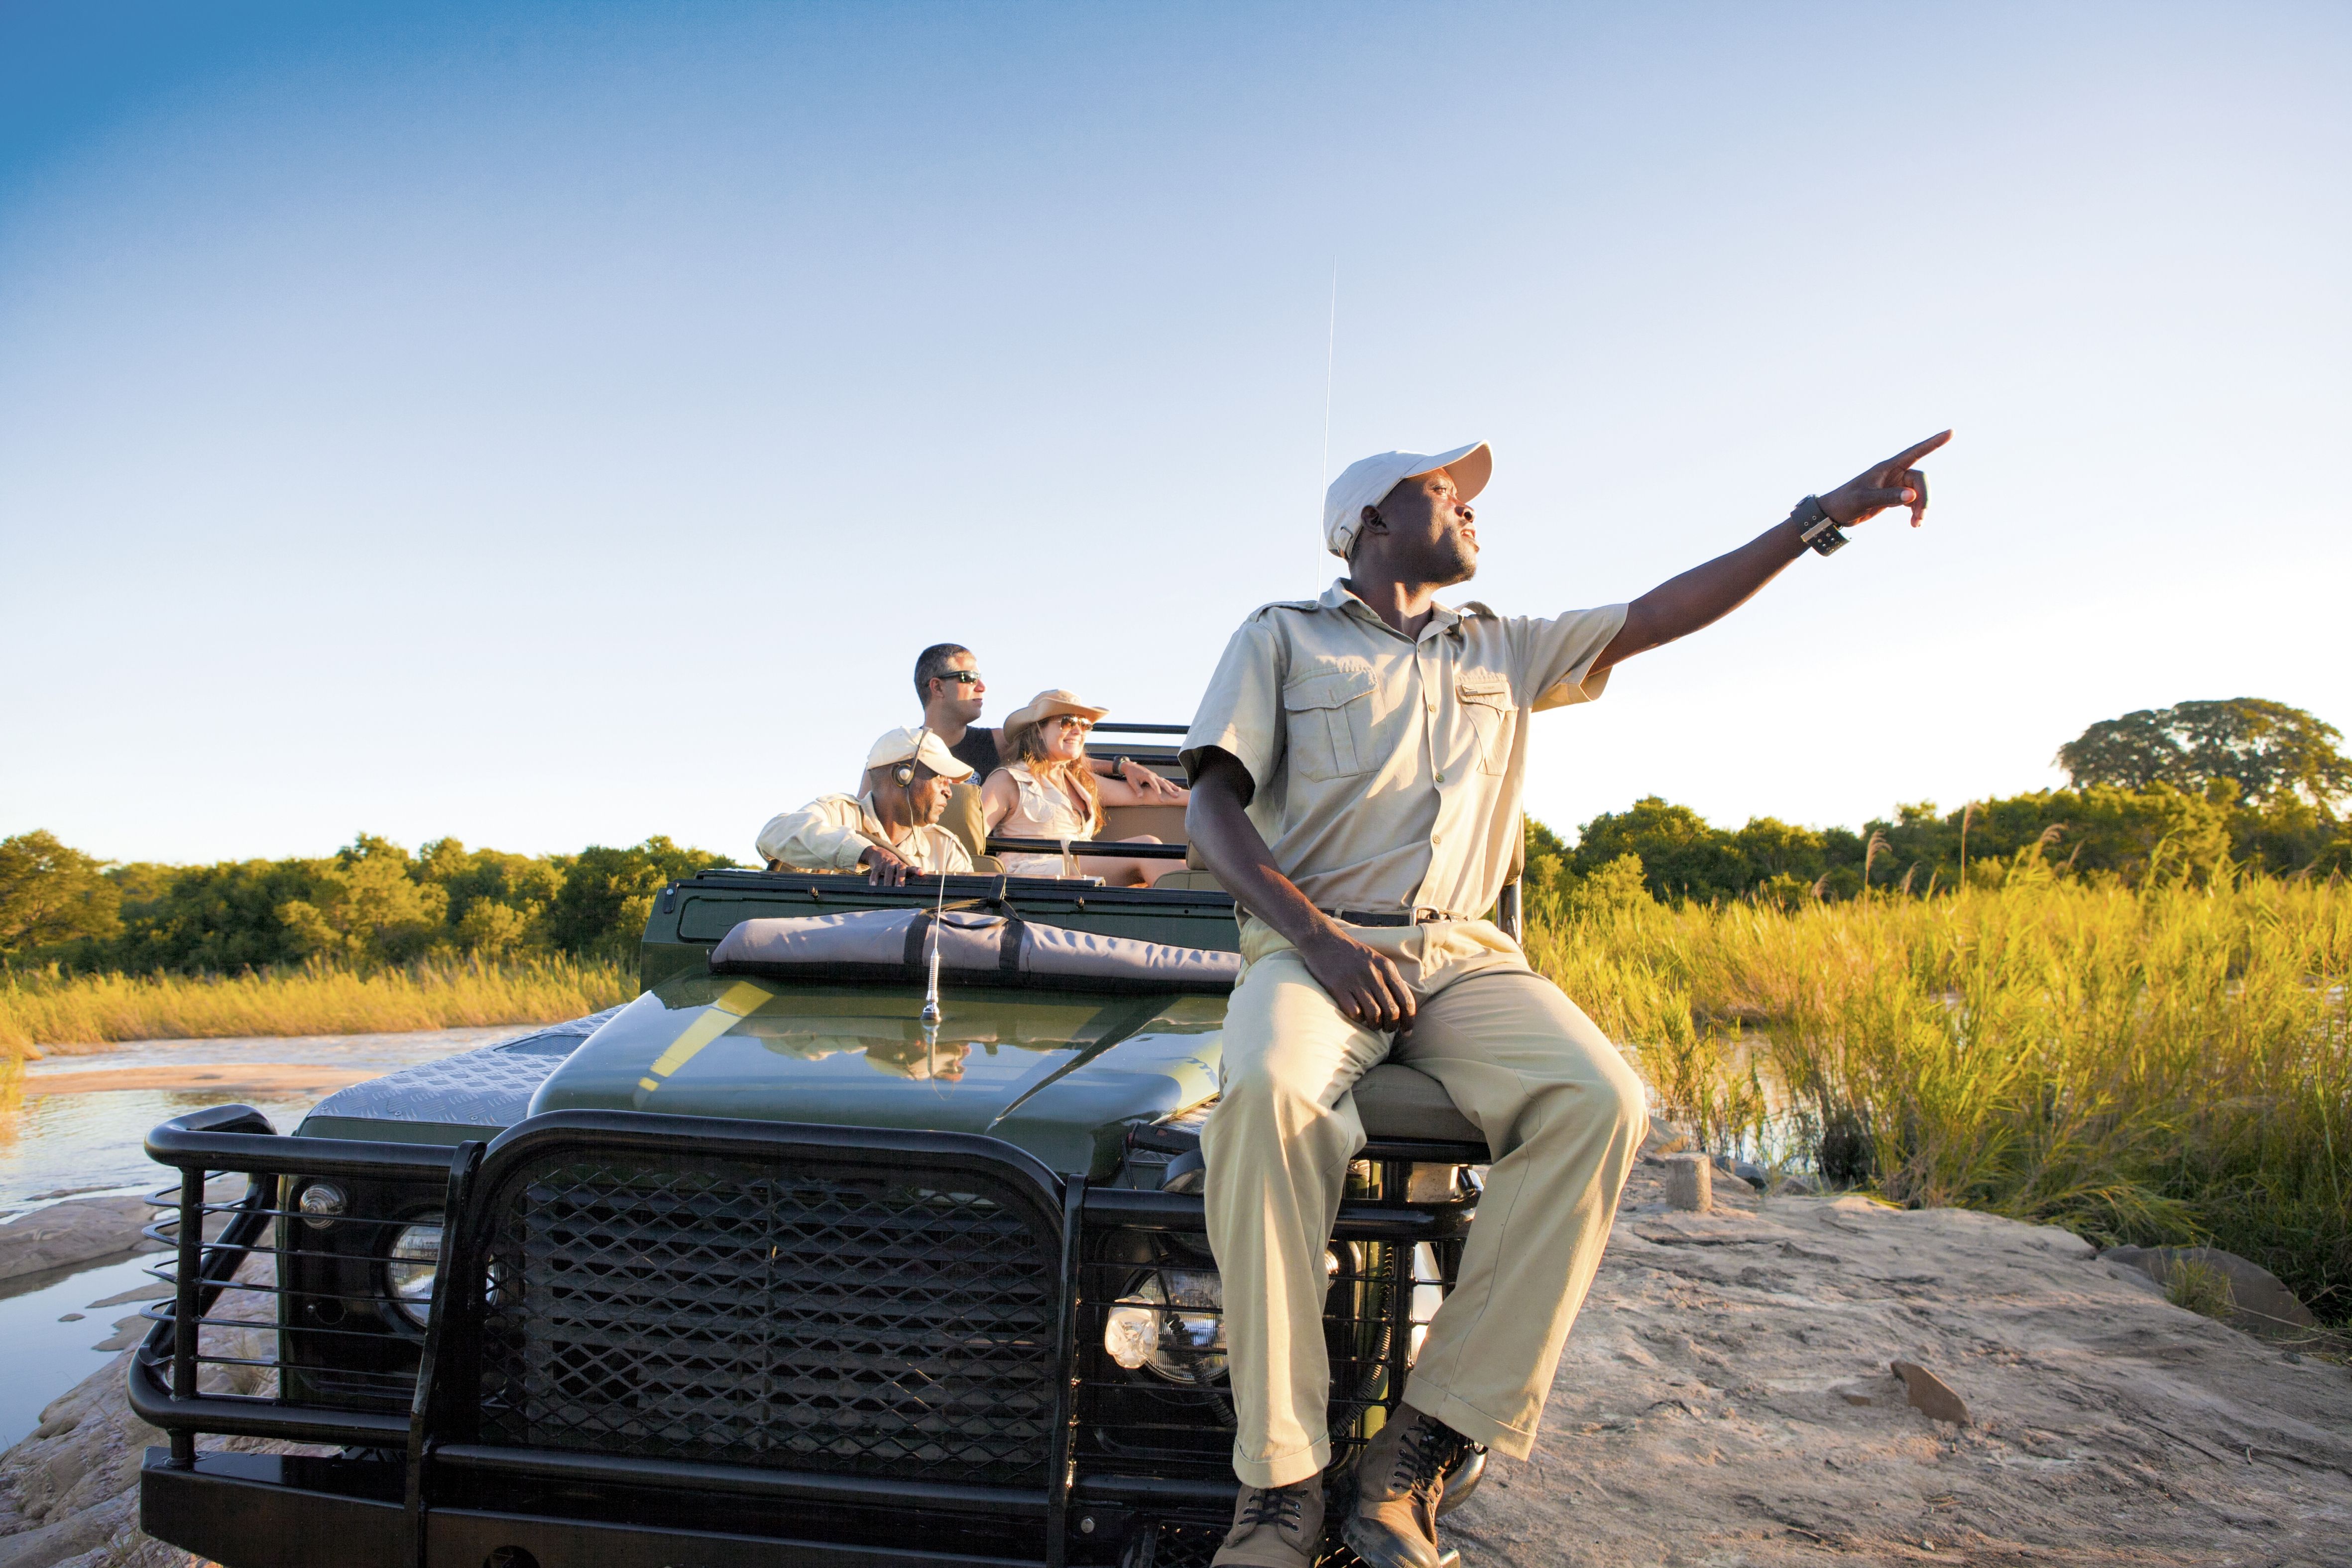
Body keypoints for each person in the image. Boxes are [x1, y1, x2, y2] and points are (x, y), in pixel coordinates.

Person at [1182, 432, 1951, 1568]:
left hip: (1466, 959)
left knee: (1599, 1098)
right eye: (1442, 493)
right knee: (1263, 1097)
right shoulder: (1279, 637)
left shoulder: (1505, 645)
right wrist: (1319, 940)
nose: (1470, 510)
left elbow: (1659, 612)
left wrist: (1814, 519)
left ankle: (1419, 1451)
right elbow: (1211, 814)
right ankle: (1281, 1484)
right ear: (1372, 523)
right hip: (1315, 952)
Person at [913, 643, 1185, 797]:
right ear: (937, 688)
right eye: (969, 678)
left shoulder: (995, 743)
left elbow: (1056, 754)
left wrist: (1122, 765)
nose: (982, 686)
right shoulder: (900, 753)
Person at [980, 689, 1191, 885]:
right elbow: (970, 836)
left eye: (1085, 725)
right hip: (1028, 875)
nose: (1078, 730)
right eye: (1067, 722)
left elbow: (1142, 796)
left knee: (1159, 854)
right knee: (1148, 848)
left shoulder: (1080, 781)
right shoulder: (1009, 780)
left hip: (1074, 868)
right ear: (1037, 731)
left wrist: (1203, 799)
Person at [756, 727, 977, 884]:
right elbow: (773, 834)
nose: (949, 792)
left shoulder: (947, 849)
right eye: (940, 778)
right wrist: (867, 853)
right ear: (903, 776)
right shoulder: (839, 814)